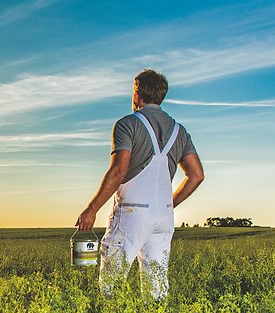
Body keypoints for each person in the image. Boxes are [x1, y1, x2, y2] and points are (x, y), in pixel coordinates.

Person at [75, 69, 204, 299]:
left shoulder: (127, 124)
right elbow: (196, 175)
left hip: (132, 212)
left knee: (111, 283)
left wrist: (92, 209)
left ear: (137, 93)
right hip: (163, 216)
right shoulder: (179, 131)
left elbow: (118, 170)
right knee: (157, 287)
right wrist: (170, 203)